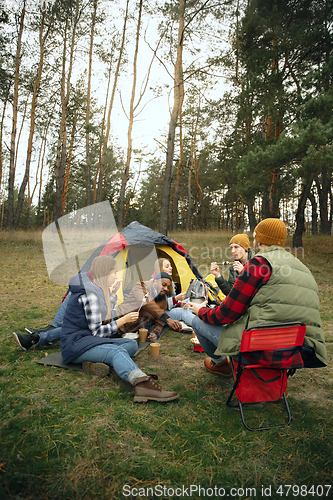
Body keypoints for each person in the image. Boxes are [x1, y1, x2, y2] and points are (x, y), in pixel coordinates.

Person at [188, 218, 328, 377]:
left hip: (261, 349)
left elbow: (226, 314)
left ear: (259, 240)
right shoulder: (302, 268)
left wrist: (201, 311)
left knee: (197, 322)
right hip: (299, 350)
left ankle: (221, 365)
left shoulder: (259, 264)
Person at [59, 255, 179, 403]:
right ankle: (142, 384)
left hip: (88, 339)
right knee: (116, 351)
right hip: (76, 344)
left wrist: (113, 295)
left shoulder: (97, 289)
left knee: (131, 344)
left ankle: (96, 364)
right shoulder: (90, 295)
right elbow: (97, 331)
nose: (116, 276)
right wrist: (122, 320)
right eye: (114, 272)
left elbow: (103, 315)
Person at [153, 258, 196, 327]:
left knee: (191, 300)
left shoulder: (170, 282)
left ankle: (193, 317)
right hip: (162, 314)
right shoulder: (155, 283)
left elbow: (172, 301)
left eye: (170, 266)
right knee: (183, 312)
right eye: (167, 267)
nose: (171, 268)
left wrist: (180, 304)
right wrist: (176, 299)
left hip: (170, 308)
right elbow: (160, 305)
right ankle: (198, 325)